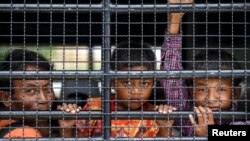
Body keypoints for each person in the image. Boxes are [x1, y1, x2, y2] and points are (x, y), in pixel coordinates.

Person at [58, 40, 177, 137]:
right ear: (113, 83)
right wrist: (66, 129)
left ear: (153, 83)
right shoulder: (95, 107)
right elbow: (80, 138)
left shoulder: (155, 114)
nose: (136, 91)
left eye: (144, 84)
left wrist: (165, 129)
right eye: (127, 83)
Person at [163, 0, 248, 137]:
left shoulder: (240, 123)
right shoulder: (187, 116)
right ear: (191, 91)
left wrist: (211, 134)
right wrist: (175, 18)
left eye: (221, 89)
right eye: (202, 89)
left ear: (236, 93)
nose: (211, 98)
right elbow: (171, 76)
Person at [0, 49, 79, 138]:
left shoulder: (48, 123)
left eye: (48, 89)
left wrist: (66, 129)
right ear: (6, 97)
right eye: (30, 91)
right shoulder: (22, 134)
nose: (44, 99)